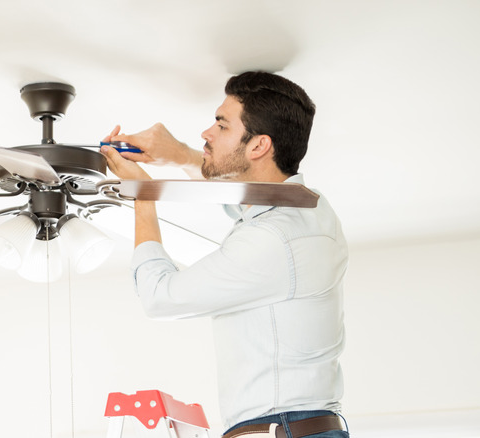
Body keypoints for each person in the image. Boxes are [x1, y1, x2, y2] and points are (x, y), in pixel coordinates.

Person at [99, 71, 349, 438]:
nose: (206, 133)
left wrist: (143, 195)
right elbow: (244, 197)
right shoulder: (308, 210)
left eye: (221, 125)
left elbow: (159, 298)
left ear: (259, 146)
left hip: (279, 429)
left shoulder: (272, 239)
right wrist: (179, 156)